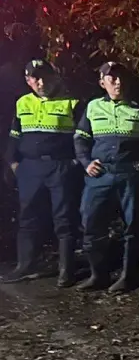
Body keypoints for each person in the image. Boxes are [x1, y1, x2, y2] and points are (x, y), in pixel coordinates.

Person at [74, 61, 139, 292]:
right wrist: (85, 162)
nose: (118, 82)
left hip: (131, 174)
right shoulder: (92, 107)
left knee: (134, 225)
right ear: (102, 82)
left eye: (121, 77)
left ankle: (129, 275)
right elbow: (80, 138)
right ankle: (98, 275)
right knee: (91, 222)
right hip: (100, 175)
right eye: (112, 78)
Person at [3, 59, 81, 286]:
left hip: (60, 166)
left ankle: (66, 270)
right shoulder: (22, 103)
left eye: (45, 76)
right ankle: (25, 266)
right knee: (27, 217)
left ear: (54, 76)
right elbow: (14, 137)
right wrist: (13, 163)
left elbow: (83, 137)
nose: (41, 82)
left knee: (64, 219)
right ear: (28, 81)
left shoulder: (72, 103)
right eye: (35, 78)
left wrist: (75, 162)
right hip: (30, 167)